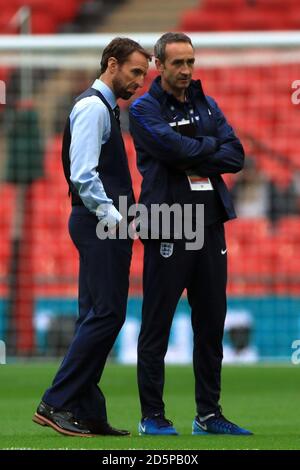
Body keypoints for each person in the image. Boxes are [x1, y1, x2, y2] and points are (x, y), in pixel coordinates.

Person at [129, 32, 252, 436]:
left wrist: (193, 148)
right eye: (178, 63)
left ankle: (209, 415)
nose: (186, 71)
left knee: (211, 323)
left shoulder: (206, 102)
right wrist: (206, 145)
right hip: (168, 223)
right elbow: (168, 148)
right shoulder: (144, 109)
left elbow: (235, 154)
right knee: (157, 323)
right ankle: (152, 416)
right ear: (159, 66)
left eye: (190, 63)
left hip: (210, 224)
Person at [33, 37, 150, 437]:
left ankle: (87, 408)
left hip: (100, 222)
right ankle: (57, 401)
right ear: (112, 64)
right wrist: (116, 219)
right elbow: (83, 175)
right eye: (135, 72)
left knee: (95, 314)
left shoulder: (106, 110)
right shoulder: (92, 108)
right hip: (99, 222)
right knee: (108, 314)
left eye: (144, 75)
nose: (140, 82)